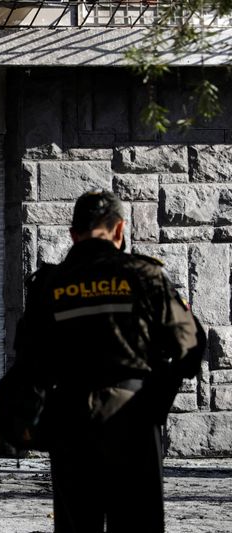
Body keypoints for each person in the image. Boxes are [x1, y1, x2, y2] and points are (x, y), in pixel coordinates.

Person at [14, 190, 205, 532]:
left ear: (73, 234)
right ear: (120, 231)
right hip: (133, 418)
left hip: (70, 419)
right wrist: (157, 398)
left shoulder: (50, 284)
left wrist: (28, 418)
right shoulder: (145, 276)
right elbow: (191, 347)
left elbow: (29, 361)